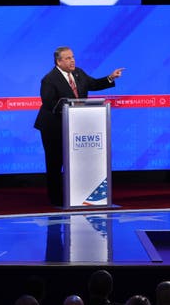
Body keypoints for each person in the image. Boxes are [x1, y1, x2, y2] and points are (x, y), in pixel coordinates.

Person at [34, 46, 124, 206]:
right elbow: (49, 104)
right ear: (58, 61)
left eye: (73, 57)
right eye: (68, 58)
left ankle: (78, 195)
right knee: (55, 163)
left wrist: (111, 77)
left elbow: (94, 84)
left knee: (77, 161)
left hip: (77, 125)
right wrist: (70, 110)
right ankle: (56, 199)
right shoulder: (49, 79)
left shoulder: (78, 73)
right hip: (53, 127)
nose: (72, 60)